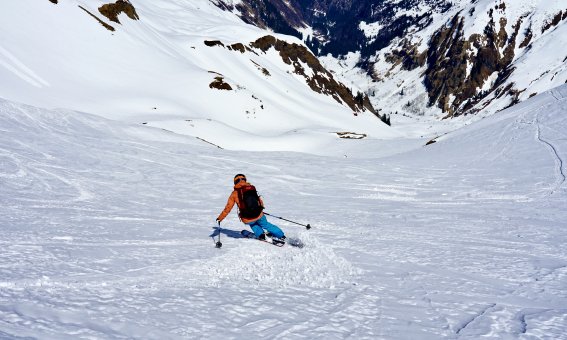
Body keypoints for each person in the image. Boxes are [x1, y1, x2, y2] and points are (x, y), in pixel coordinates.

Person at [216, 174, 285, 241]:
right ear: (244, 180)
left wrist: (220, 218)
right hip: (258, 214)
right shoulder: (251, 188)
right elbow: (259, 200)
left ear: (235, 182)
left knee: (253, 224)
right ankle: (281, 235)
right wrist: (260, 209)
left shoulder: (234, 193)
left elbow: (228, 208)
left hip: (247, 217)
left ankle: (261, 235)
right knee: (266, 225)